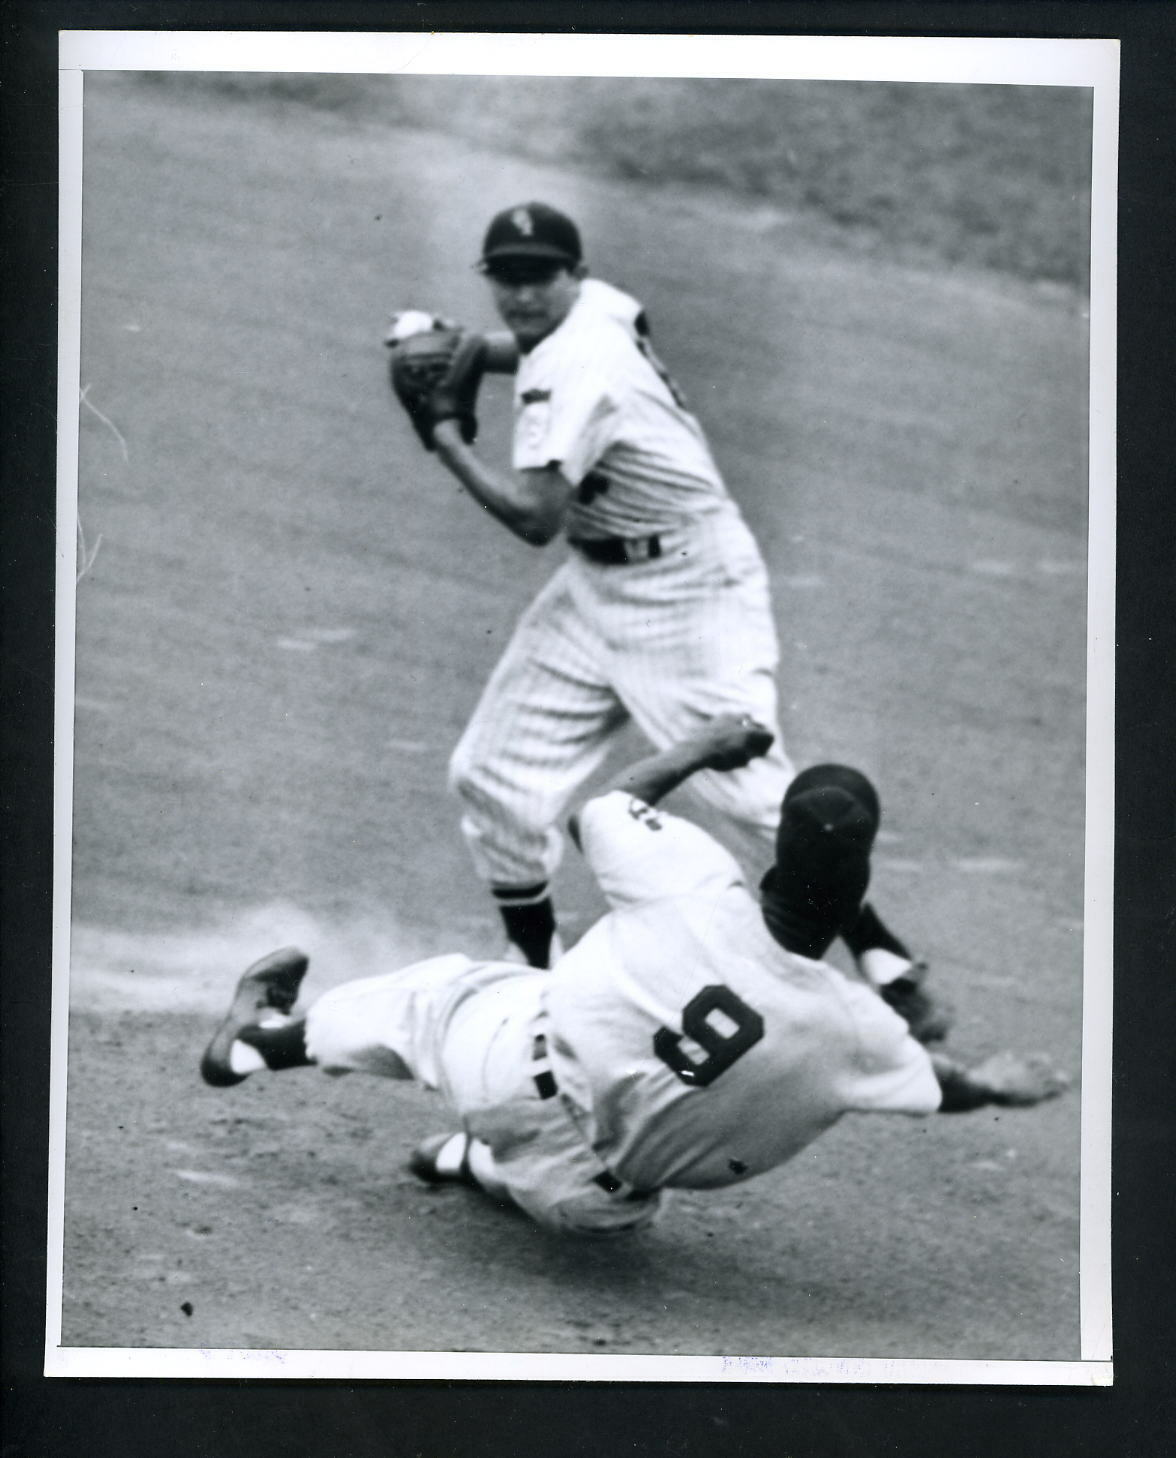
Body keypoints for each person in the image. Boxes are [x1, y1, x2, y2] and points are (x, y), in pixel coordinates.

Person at [200, 715, 1067, 1238]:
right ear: (856, 898)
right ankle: (475, 1164)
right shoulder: (859, 1031)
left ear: (770, 865)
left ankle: (253, 1048)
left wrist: (705, 745)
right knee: (607, 1182)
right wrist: (994, 1083)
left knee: (435, 997)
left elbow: (598, 812)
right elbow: (941, 1084)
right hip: (590, 1208)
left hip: (503, 1063)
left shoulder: (691, 876)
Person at [395, 199, 935, 1033]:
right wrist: (472, 351)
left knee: (754, 795)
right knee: (490, 777)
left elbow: (534, 515)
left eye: (541, 276)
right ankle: (537, 980)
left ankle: (884, 958)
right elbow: (530, 344)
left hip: (690, 584)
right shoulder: (601, 308)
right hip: (595, 584)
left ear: (572, 273)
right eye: (506, 277)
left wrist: (441, 431)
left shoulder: (577, 369)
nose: (524, 294)